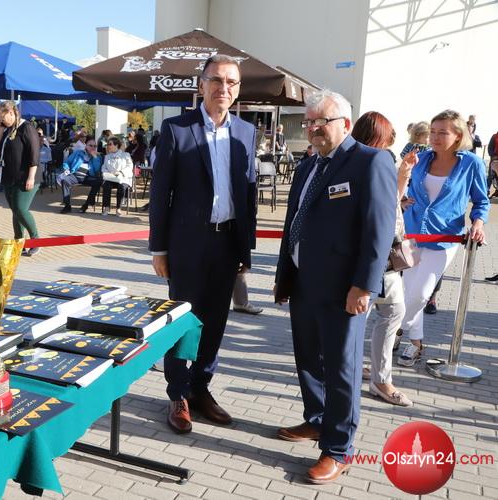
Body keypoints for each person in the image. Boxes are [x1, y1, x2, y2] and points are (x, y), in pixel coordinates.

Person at [273, 90, 397, 484]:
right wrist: (284, 277)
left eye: (320, 121)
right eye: (308, 122)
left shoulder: (370, 161)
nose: (312, 128)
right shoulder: (308, 165)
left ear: (345, 123)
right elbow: (293, 224)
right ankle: (317, 420)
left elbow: (378, 231)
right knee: (308, 359)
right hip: (303, 282)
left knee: (342, 370)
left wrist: (364, 286)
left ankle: (339, 448)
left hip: (344, 289)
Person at [149, 54, 257, 435]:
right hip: (187, 246)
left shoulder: (246, 132)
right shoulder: (176, 129)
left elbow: (248, 193)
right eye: (216, 80)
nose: (223, 88)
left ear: (237, 90)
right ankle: (178, 393)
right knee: (184, 321)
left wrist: (245, 249)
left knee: (215, 322)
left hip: (227, 243)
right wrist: (159, 249)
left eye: (231, 82)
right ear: (201, 85)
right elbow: (160, 193)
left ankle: (201, 388)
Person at [397, 110, 489, 367]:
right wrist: (402, 200)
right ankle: (415, 344)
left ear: (458, 135)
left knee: (420, 295)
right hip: (412, 234)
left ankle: (393, 330)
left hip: (444, 239)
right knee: (409, 293)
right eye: (433, 132)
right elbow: (404, 187)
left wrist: (478, 222)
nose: (435, 137)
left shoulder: (471, 164)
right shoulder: (421, 158)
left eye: (442, 133)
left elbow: (481, 201)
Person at [351, 111, 413, 407]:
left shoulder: (369, 160)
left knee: (390, 312)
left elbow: (389, 203)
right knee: (368, 315)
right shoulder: (372, 161)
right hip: (374, 256)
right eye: (387, 139)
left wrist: (403, 177)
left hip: (384, 258)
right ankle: (373, 376)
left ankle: (377, 375)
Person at [0, 100, 41, 256]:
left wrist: (31, 177)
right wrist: (0, 132)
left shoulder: (26, 127)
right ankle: (18, 242)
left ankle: (36, 240)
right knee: (15, 211)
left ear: (11, 112)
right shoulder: (8, 130)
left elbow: (34, 154)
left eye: (2, 117)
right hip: (9, 177)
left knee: (20, 209)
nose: (1, 120)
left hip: (26, 177)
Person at [58, 138, 102, 213]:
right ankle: (67, 206)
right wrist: (66, 169)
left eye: (95, 146)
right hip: (75, 175)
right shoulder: (78, 153)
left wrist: (94, 157)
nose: (93, 147)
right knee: (65, 180)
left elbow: (97, 170)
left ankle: (86, 205)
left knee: (98, 182)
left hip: (88, 177)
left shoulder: (97, 157)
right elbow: (67, 162)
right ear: (86, 146)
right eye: (90, 145)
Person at [100, 136, 133, 215]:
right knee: (106, 185)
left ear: (116, 145)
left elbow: (130, 166)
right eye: (107, 144)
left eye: (110, 144)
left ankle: (118, 208)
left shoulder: (126, 155)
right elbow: (104, 167)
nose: (108, 146)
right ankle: (106, 207)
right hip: (111, 178)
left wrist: (121, 172)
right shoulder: (107, 156)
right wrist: (108, 173)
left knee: (122, 186)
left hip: (123, 178)